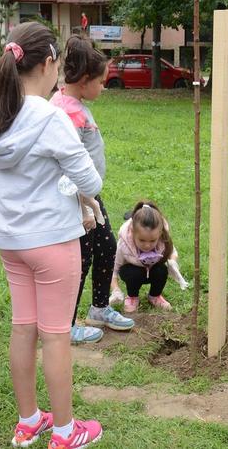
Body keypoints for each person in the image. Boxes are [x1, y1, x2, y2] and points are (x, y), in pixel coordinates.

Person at [0, 22, 104, 448]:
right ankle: (66, 432)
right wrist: (76, 194)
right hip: (52, 242)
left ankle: (29, 421)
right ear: (49, 62)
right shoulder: (49, 117)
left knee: (22, 329)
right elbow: (89, 179)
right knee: (55, 335)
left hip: (11, 241)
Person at [50, 34, 134, 343]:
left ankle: (99, 308)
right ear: (85, 80)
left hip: (88, 196)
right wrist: (85, 207)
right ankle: (67, 324)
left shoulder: (72, 103)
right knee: (80, 260)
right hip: (75, 199)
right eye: (101, 82)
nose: (103, 87)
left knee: (107, 247)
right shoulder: (67, 112)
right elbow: (66, 166)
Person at [114, 201, 176, 312]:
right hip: (132, 272)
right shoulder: (124, 244)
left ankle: (155, 296)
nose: (147, 245)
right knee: (133, 273)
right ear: (133, 232)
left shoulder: (163, 240)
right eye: (142, 240)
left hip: (153, 270)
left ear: (160, 234)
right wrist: (116, 289)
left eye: (152, 241)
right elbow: (113, 269)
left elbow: (172, 253)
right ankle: (132, 297)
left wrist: (173, 262)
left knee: (161, 270)